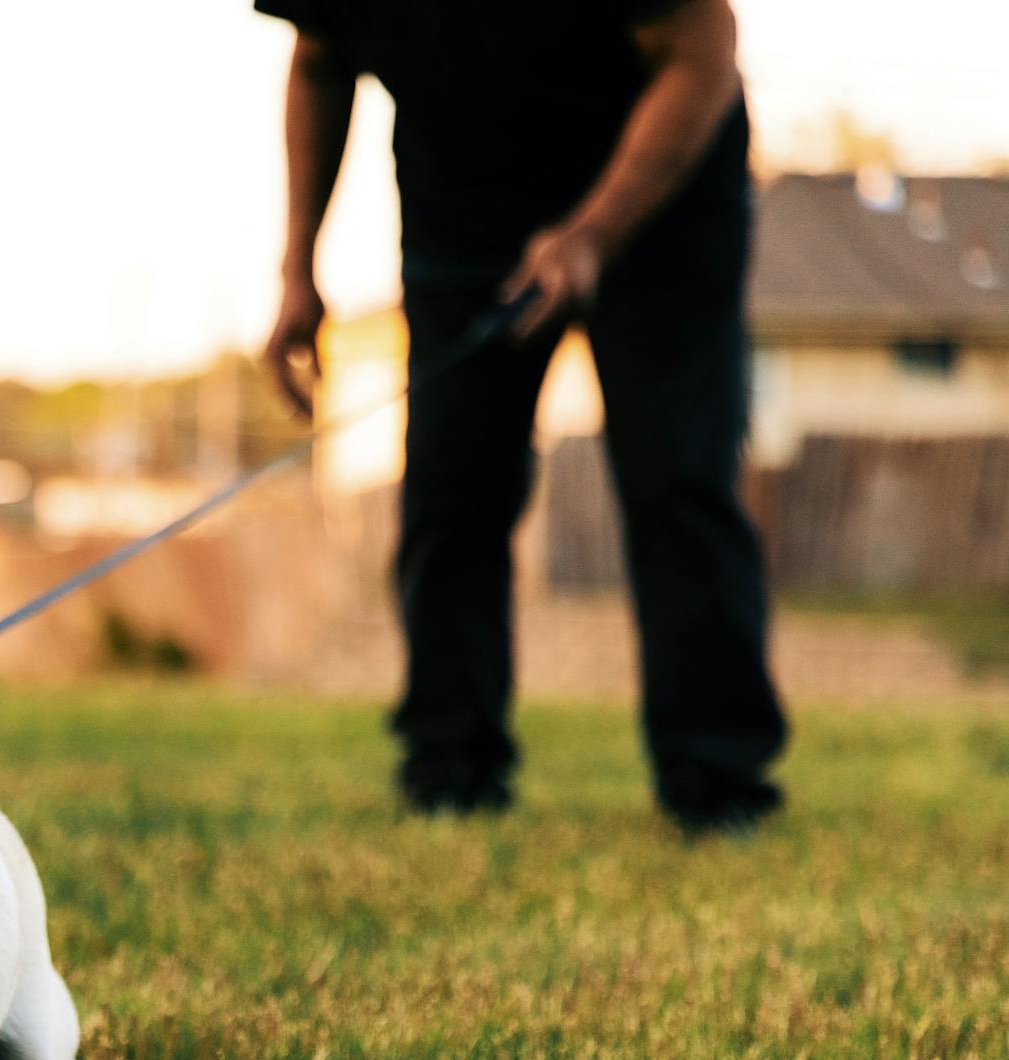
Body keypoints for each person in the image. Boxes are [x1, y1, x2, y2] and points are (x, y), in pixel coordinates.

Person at [258, 0, 787, 832]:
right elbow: (321, 62)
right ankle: (451, 769)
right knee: (450, 489)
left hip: (665, 198)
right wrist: (298, 269)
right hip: (463, 210)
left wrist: (592, 231)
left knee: (680, 479)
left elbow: (703, 51)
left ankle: (715, 778)